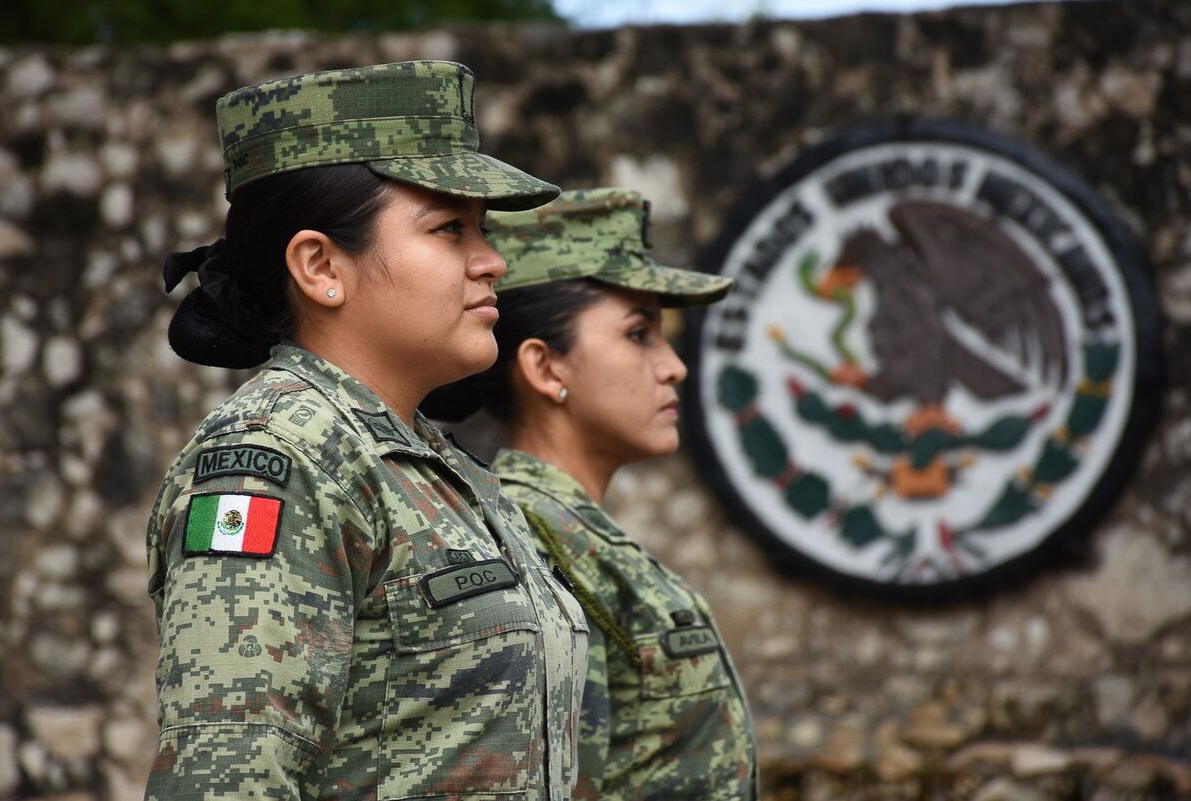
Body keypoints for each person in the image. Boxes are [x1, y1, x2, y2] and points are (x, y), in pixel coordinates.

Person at [148, 61, 588, 800]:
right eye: (450, 228)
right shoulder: (277, 459)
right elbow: (226, 781)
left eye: (482, 229)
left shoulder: (432, 465)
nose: (492, 261)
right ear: (321, 265)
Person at [427, 188, 757, 800]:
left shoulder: (570, 533)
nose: (673, 365)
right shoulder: (532, 541)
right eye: (639, 334)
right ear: (547, 368)